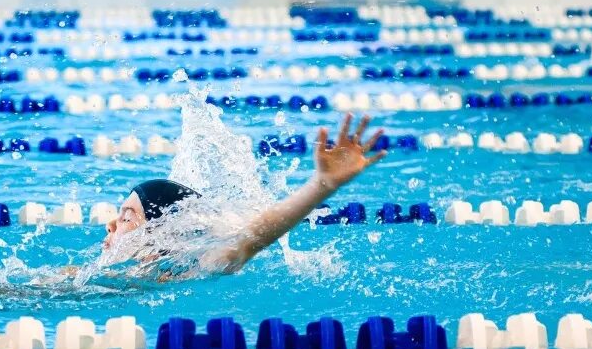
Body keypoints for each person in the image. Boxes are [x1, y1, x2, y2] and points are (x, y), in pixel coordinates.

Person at [101, 113, 386, 275]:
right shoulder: (111, 275)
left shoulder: (194, 271)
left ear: (163, 232)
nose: (110, 225)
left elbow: (254, 235)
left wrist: (321, 186)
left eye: (128, 217)